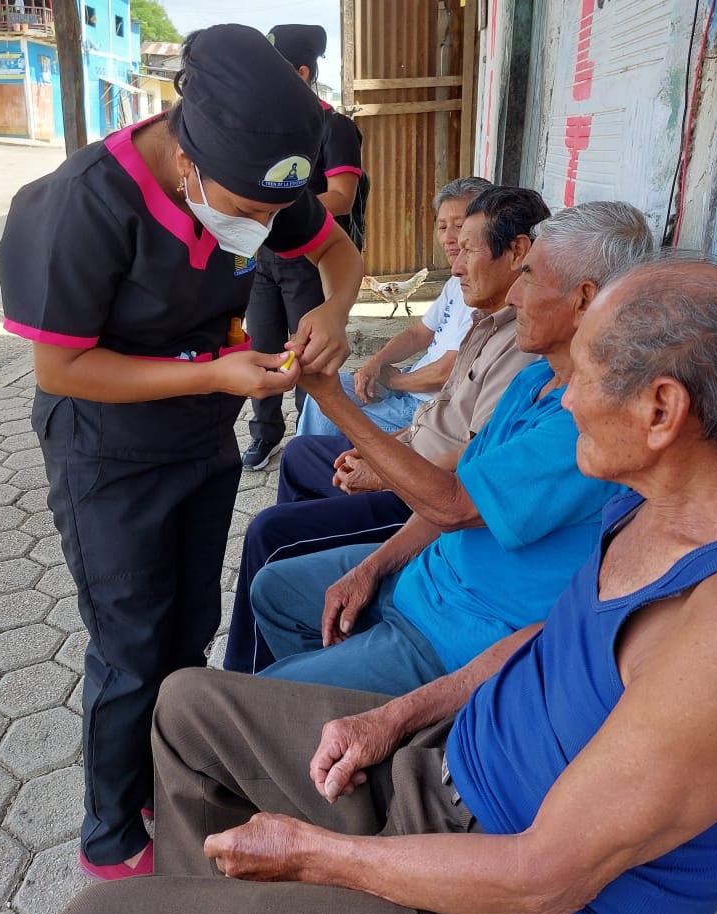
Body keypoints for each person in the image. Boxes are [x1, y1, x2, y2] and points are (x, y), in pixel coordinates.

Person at [50, 254, 717, 914]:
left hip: (509, 910)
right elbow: (540, 638)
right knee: (187, 706)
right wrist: (395, 716)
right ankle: (204, 910)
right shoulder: (642, 504)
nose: (567, 399)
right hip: (445, 772)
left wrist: (315, 857)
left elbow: (543, 877)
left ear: (659, 410)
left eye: (585, 377)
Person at [0, 24, 363, 880]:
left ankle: (170, 776)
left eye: (272, 214)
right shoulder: (81, 204)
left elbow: (336, 253)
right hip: (107, 453)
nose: (262, 229)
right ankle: (109, 834)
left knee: (190, 622)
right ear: (188, 159)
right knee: (130, 643)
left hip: (202, 438)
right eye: (248, 212)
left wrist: (332, 311)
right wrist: (213, 375)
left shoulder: (260, 176)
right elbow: (61, 367)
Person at [250, 202, 654, 694]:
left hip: (460, 633)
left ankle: (328, 711)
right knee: (273, 590)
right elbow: (461, 488)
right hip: (428, 578)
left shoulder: (587, 422)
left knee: (251, 698)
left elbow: (454, 504)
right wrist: (373, 567)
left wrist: (332, 398)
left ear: (584, 299)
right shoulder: (536, 380)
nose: (516, 294)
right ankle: (322, 706)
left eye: (529, 277)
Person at [224, 186, 548, 674]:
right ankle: (304, 624)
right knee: (302, 456)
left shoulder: (531, 357)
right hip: (424, 487)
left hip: (427, 507)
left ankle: (255, 678)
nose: (454, 263)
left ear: (519, 252)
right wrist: (383, 444)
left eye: (467, 247)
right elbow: (440, 412)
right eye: (446, 232)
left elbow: (462, 487)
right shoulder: (489, 322)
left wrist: (374, 452)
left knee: (272, 534)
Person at [242, 23, 364, 471]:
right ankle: (264, 433)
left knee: (305, 352)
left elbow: (342, 197)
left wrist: (277, 208)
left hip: (310, 257)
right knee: (263, 344)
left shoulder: (334, 127)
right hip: (261, 255)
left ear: (302, 73)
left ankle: (308, 437)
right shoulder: (267, 130)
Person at [295, 177, 488, 439]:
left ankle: (318, 460)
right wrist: (375, 364)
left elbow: (449, 371)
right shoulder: (457, 280)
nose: (449, 237)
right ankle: (315, 457)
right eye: (442, 226)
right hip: (412, 384)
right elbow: (418, 334)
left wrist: (393, 380)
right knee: (329, 390)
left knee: (328, 405)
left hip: (430, 407)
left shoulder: (485, 293)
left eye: (460, 225)